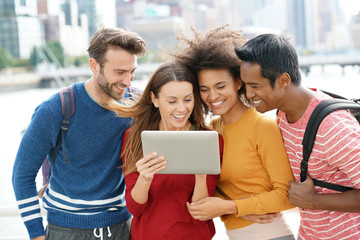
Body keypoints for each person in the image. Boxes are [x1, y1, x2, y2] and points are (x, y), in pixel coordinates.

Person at [12, 27, 146, 240]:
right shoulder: (55, 109)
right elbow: (22, 175)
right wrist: (36, 235)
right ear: (94, 65)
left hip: (122, 228)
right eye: (119, 72)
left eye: (132, 72)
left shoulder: (137, 103)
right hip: (65, 231)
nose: (128, 81)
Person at [173, 26, 295, 240]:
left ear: (238, 82)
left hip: (271, 234)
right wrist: (236, 208)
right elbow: (213, 191)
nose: (213, 96)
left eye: (220, 86)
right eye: (204, 89)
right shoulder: (212, 131)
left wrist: (234, 206)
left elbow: (286, 195)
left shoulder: (262, 126)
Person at [235, 33, 360, 240]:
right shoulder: (282, 115)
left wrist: (313, 201)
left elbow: (307, 198)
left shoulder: (333, 127)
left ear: (284, 80)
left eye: (255, 86)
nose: (248, 95)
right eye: (245, 85)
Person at [106, 62, 223, 239]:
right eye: (171, 101)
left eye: (188, 99)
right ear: (154, 99)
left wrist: (201, 175)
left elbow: (200, 212)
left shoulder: (209, 139)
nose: (182, 108)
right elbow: (134, 208)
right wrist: (145, 178)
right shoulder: (134, 138)